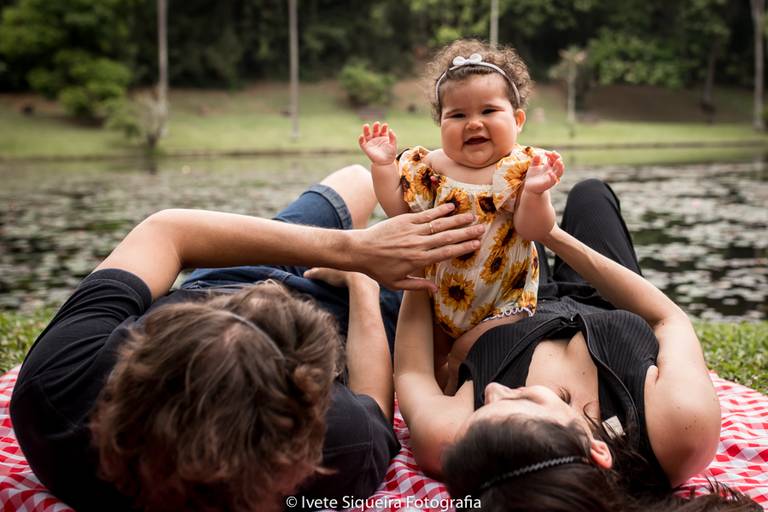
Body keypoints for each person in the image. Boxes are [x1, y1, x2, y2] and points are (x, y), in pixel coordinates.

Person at [9, 165, 484, 512]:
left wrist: (355, 247)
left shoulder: (56, 392)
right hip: (345, 304)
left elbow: (167, 231)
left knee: (358, 180)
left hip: (232, 274)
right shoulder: (334, 451)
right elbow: (373, 405)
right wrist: (361, 281)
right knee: (468, 257)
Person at [394, 178, 759, 510]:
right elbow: (668, 319)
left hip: (506, 306)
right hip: (611, 299)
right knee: (591, 195)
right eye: (518, 400)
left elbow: (412, 370)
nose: (492, 391)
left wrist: (425, 264)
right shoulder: (680, 428)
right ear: (596, 450)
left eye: (481, 411)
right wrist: (549, 233)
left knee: (500, 192)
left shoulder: (450, 442)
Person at [358, 39, 564, 393]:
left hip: (504, 302)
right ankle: (427, 412)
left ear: (517, 120)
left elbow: (535, 229)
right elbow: (399, 208)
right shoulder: (432, 168)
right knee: (426, 359)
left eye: (488, 111)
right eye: (457, 115)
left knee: (465, 356)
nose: (473, 124)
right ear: (440, 122)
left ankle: (461, 404)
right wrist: (382, 167)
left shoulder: (518, 169)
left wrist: (536, 191)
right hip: (440, 296)